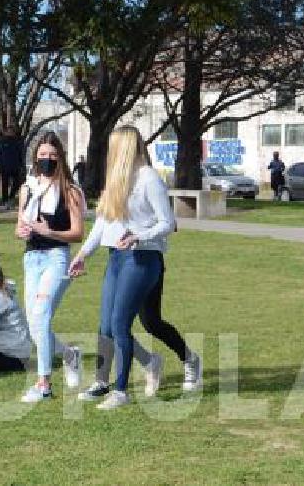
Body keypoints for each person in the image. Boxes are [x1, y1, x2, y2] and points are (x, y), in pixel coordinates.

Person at [69, 125, 200, 410]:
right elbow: (102, 224)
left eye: (113, 147)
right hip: (116, 258)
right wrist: (82, 254)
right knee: (110, 323)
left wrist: (139, 236)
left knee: (125, 324)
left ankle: (122, 390)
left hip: (143, 259)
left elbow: (168, 223)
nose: (109, 153)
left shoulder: (149, 179)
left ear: (124, 148)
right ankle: (102, 383)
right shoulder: (116, 180)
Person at [16, 132, 84, 402]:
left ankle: (43, 384)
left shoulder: (70, 190)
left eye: (53, 156)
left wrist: (50, 231)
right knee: (33, 323)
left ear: (61, 159)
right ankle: (69, 354)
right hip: (31, 258)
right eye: (42, 155)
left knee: (41, 315)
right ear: (35, 157)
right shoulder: (27, 188)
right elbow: (19, 225)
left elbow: (78, 233)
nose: (47, 160)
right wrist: (22, 231)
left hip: (56, 256)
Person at [0, 135, 24, 208]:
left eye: (12, 131)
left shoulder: (17, 143)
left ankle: (11, 197)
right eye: (8, 130)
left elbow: (21, 155)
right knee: (5, 184)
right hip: (4, 166)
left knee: (17, 183)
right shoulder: (1, 143)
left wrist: (22, 165)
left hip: (15, 166)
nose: (10, 132)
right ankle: (5, 201)